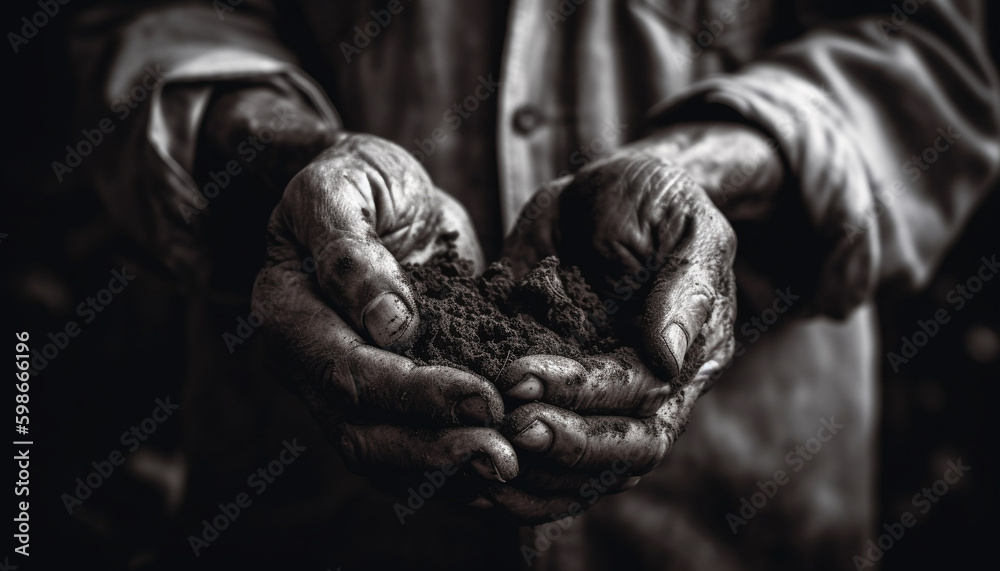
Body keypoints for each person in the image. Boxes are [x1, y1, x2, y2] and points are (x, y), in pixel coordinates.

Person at [69, 0, 999, 569]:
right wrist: (290, 164)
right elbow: (146, 18)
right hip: (316, 513)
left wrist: (711, 173)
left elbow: (929, 61)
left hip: (738, 519)